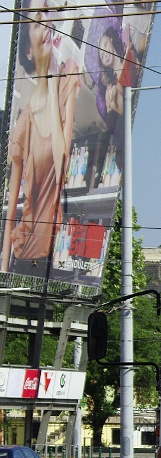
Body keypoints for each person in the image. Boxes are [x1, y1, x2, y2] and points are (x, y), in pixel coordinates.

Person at [0, 0, 82, 272]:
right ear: (28, 48)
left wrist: (51, 78)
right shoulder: (24, 120)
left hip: (57, 245)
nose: (45, 22)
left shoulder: (69, 72)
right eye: (36, 22)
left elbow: (62, 152)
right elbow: (11, 206)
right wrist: (3, 265)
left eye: (46, 13)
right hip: (26, 247)